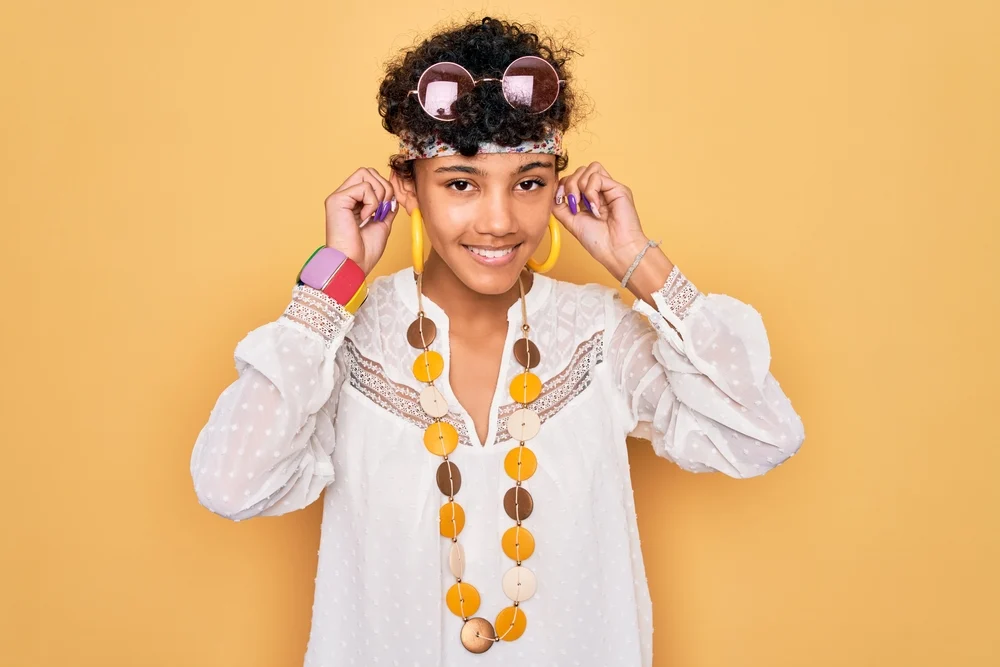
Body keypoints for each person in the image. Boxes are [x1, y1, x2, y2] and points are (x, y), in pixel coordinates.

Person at [189, 16, 806, 667]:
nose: (500, 220)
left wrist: (638, 261)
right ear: (407, 187)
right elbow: (231, 481)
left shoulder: (594, 337)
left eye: (529, 182)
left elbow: (763, 432)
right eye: (461, 183)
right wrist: (330, 286)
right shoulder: (345, 347)